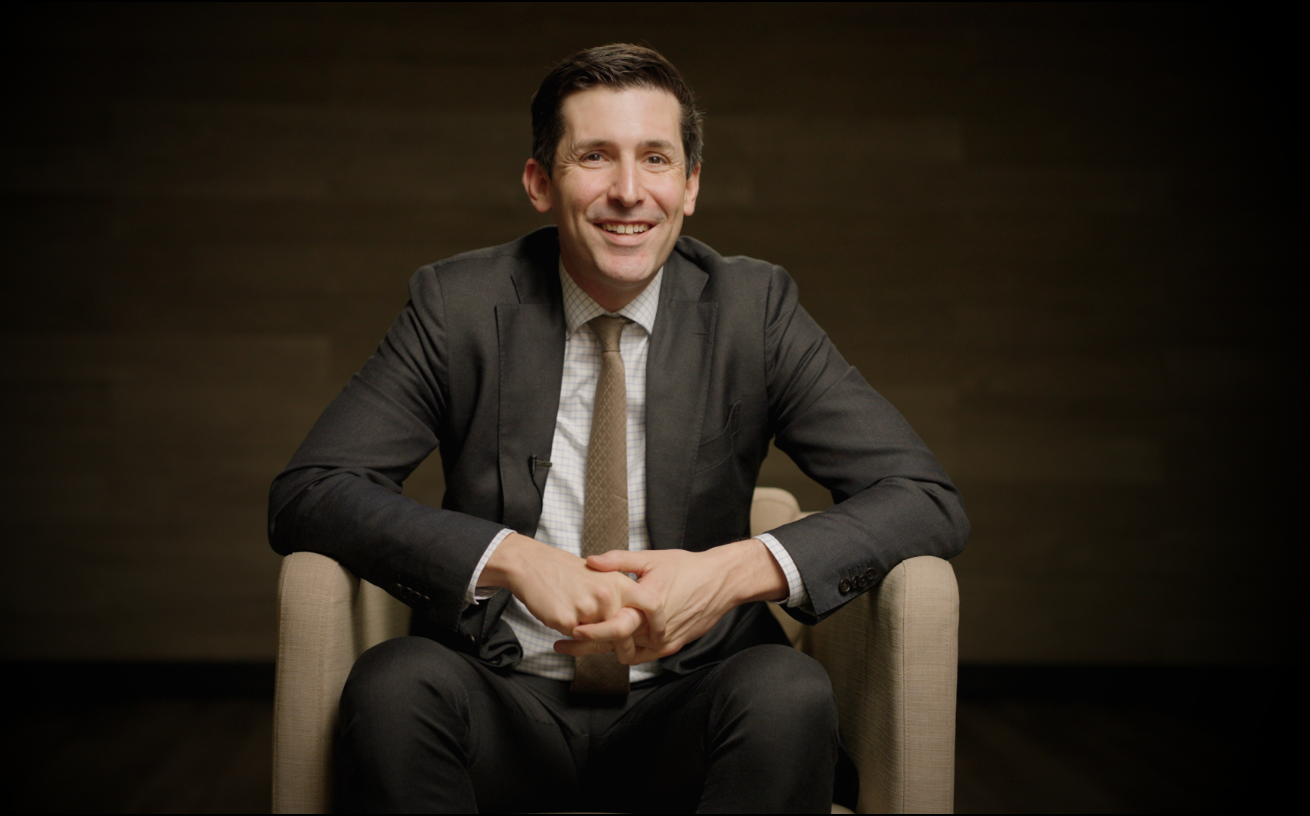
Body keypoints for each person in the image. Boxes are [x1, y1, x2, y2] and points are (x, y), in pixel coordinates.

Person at [268, 43, 967, 814]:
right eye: (595, 157)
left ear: (691, 185)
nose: (629, 192)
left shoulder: (753, 310)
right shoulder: (455, 305)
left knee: (789, 690)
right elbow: (311, 491)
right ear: (541, 182)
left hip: (688, 707)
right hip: (500, 702)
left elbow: (923, 496)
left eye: (656, 160)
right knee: (395, 684)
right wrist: (511, 559)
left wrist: (727, 574)